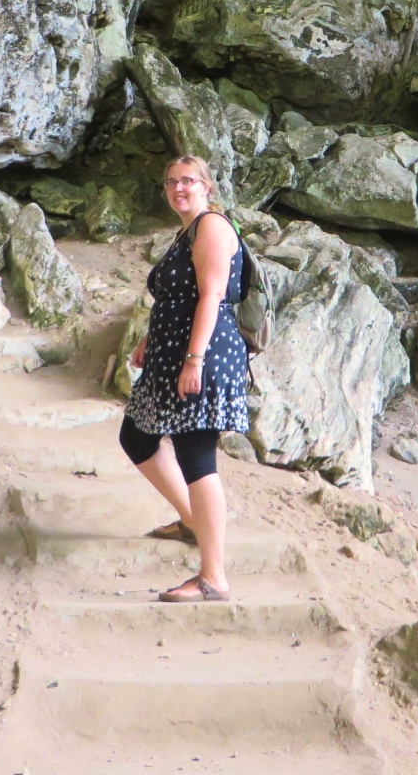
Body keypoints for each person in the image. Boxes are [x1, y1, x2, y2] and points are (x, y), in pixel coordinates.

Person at [120, 154, 250, 603]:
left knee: (197, 456)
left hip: (204, 356)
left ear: (206, 187)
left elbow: (211, 297)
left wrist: (193, 360)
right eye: (171, 182)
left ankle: (214, 577)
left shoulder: (211, 226)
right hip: (172, 353)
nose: (178, 188)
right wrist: (149, 339)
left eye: (188, 181)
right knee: (136, 436)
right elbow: (178, 297)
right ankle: (193, 521)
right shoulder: (187, 230)